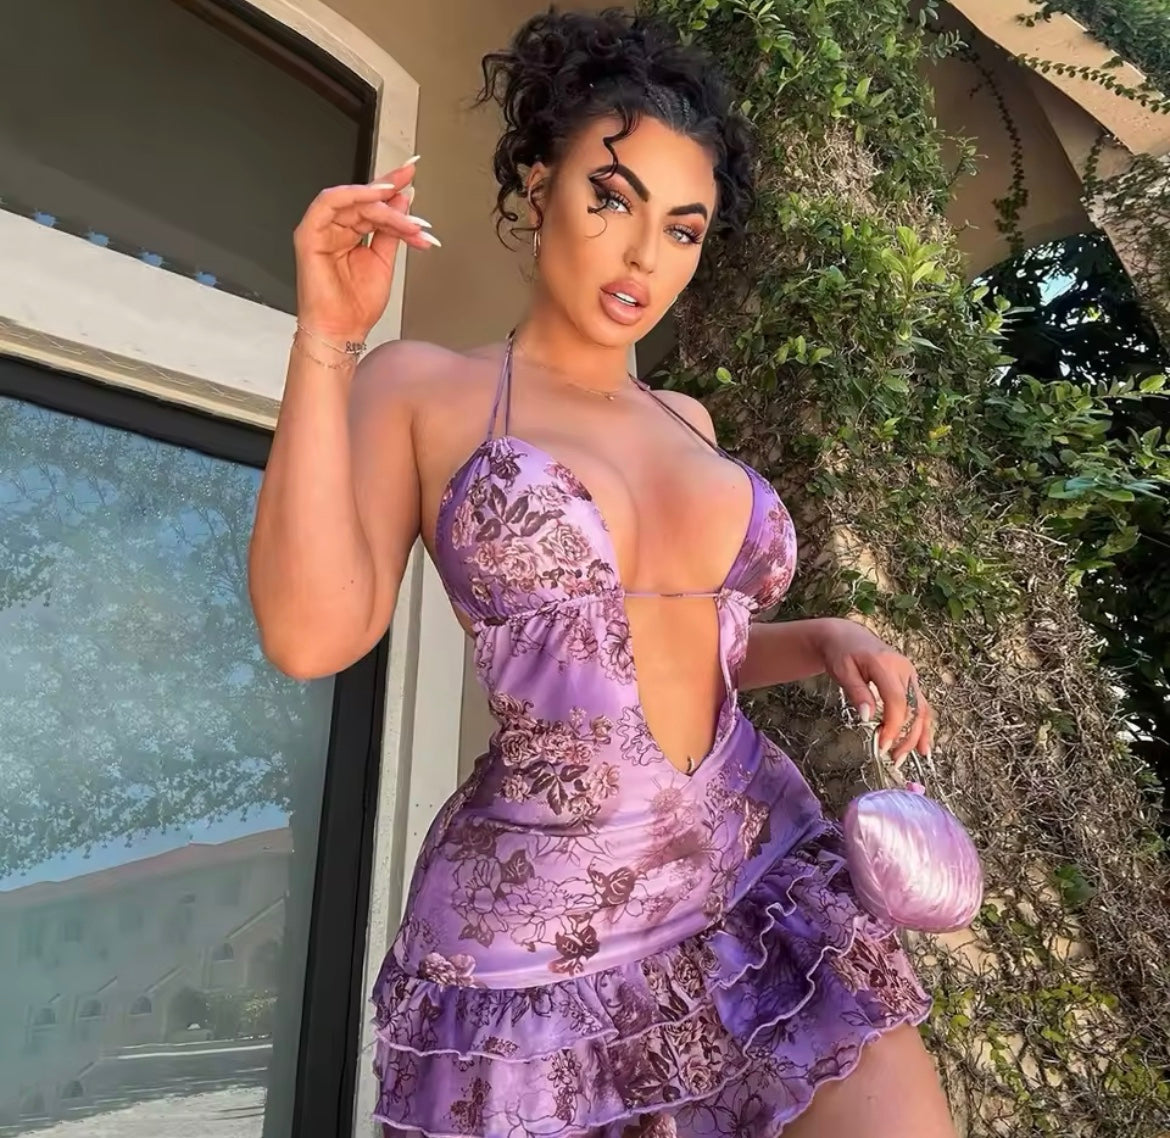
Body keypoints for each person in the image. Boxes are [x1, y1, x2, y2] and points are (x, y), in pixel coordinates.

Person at [248, 9, 958, 1137]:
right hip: (550, 935)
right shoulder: (423, 389)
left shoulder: (687, 418)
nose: (643, 257)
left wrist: (824, 636)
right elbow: (311, 634)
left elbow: (663, 648)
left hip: (753, 864)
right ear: (539, 183)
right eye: (612, 199)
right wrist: (327, 341)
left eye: (682, 228)